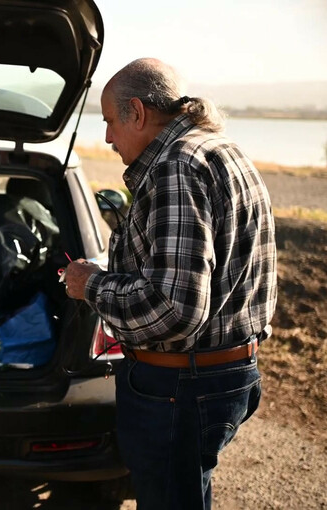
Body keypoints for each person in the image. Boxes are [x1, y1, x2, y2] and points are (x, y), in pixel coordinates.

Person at [64, 58, 277, 509]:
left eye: (108, 122)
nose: (106, 137)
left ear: (137, 112)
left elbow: (173, 308)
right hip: (222, 373)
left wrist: (92, 285)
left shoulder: (175, 169)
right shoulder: (220, 150)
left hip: (180, 387)